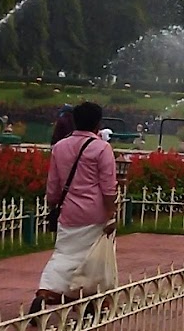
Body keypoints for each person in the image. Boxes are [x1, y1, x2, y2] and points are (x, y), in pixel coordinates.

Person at [31, 102, 118, 315]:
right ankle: (90, 297)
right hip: (95, 212)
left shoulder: (59, 147)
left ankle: (46, 291)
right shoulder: (102, 148)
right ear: (98, 123)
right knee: (92, 258)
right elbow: (108, 187)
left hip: (68, 211)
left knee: (63, 254)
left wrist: (53, 203)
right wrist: (111, 213)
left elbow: (53, 184)